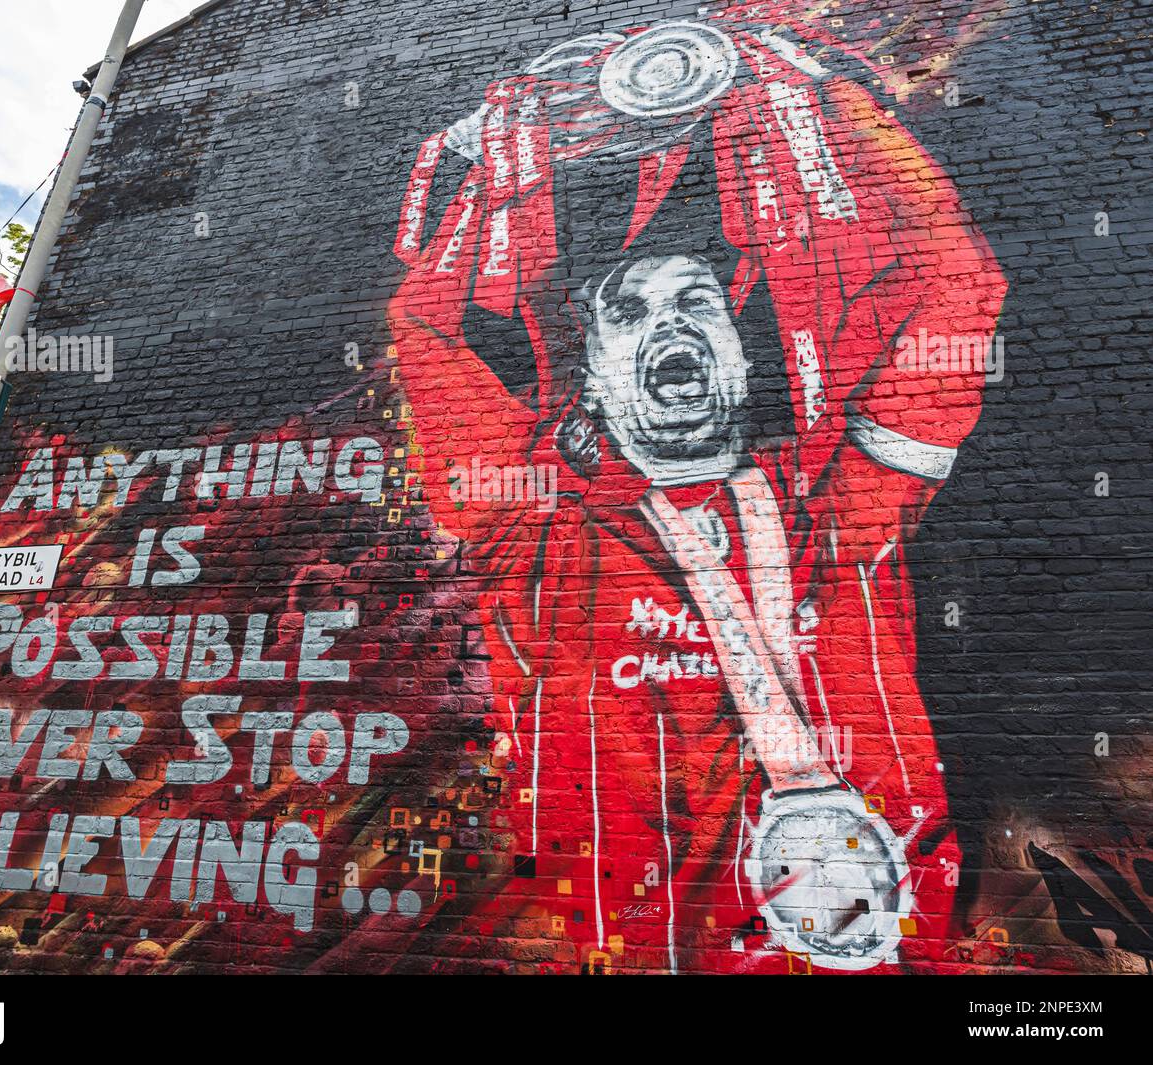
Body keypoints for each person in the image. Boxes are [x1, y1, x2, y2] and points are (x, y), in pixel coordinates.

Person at [389, 12, 1007, 973]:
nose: (665, 323)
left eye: (697, 303)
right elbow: (424, 328)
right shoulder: (536, 533)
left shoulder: (844, 509)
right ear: (591, 374)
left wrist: (807, 96)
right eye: (626, 313)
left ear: (733, 348)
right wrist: (498, 169)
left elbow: (959, 280)